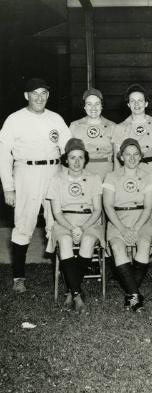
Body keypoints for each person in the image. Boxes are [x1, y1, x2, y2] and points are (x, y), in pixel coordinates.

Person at [0, 78, 71, 293]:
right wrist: (8, 187)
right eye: (34, 93)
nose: (39, 97)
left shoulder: (56, 119)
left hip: (53, 171)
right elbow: (3, 155)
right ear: (26, 95)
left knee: (56, 221)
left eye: (43, 93)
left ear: (48, 96)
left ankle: (62, 272)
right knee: (23, 222)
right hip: (26, 172)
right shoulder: (14, 119)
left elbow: (68, 147)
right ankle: (19, 277)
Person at [46, 138, 104, 313]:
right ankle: (77, 295)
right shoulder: (56, 178)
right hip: (65, 221)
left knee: (87, 242)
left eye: (80, 157)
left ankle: (72, 291)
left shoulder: (94, 178)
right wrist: (72, 228)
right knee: (64, 242)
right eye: (72, 157)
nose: (77, 162)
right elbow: (56, 212)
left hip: (89, 221)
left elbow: (97, 210)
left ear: (85, 159)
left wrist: (83, 227)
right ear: (66, 159)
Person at [102, 138, 152, 312]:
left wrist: (135, 228)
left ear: (140, 157)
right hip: (118, 219)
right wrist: (123, 228)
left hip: (142, 218)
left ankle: (130, 295)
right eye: (128, 154)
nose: (132, 158)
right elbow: (108, 206)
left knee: (144, 244)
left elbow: (148, 207)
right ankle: (134, 294)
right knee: (117, 247)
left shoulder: (148, 176)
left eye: (136, 154)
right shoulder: (111, 176)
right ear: (121, 157)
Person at [112, 83, 152, 175]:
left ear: (146, 103)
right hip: (130, 171)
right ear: (128, 104)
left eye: (140, 101)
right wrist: (117, 179)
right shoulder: (120, 127)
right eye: (133, 101)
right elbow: (117, 159)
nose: (136, 104)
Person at [69, 88, 116, 179]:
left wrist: (116, 176)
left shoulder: (112, 126)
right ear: (84, 106)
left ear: (102, 106)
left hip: (106, 171)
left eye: (97, 104)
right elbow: (68, 154)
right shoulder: (75, 126)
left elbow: (117, 155)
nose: (93, 108)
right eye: (89, 104)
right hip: (82, 170)